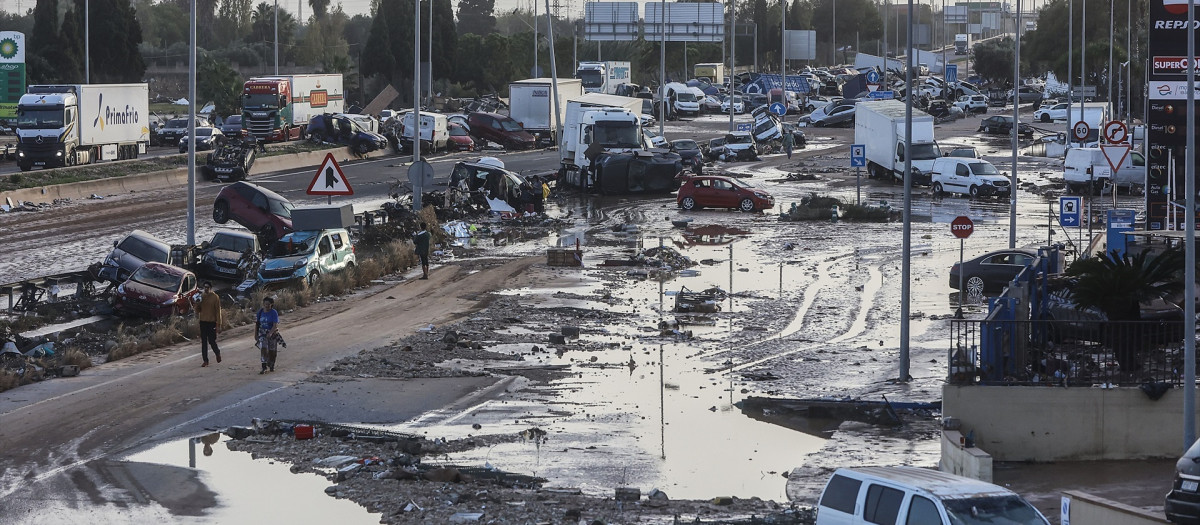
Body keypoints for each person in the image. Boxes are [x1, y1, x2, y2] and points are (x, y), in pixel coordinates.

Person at [193, 281, 222, 367]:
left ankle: (217, 352)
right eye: (204, 287)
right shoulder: (201, 296)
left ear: (210, 288)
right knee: (204, 342)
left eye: (207, 287)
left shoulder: (215, 297)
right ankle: (205, 360)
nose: (206, 289)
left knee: (212, 341)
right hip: (203, 322)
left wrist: (219, 324)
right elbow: (198, 310)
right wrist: (197, 304)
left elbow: (218, 311)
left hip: (211, 322)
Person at [255, 297, 279, 374]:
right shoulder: (260, 312)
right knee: (264, 348)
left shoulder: (274, 312)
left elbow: (275, 325)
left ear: (271, 305)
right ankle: (264, 366)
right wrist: (255, 334)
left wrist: (271, 333)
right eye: (265, 304)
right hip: (262, 333)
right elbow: (257, 324)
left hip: (272, 332)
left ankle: (271, 365)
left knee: (272, 350)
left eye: (268, 304)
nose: (267, 306)